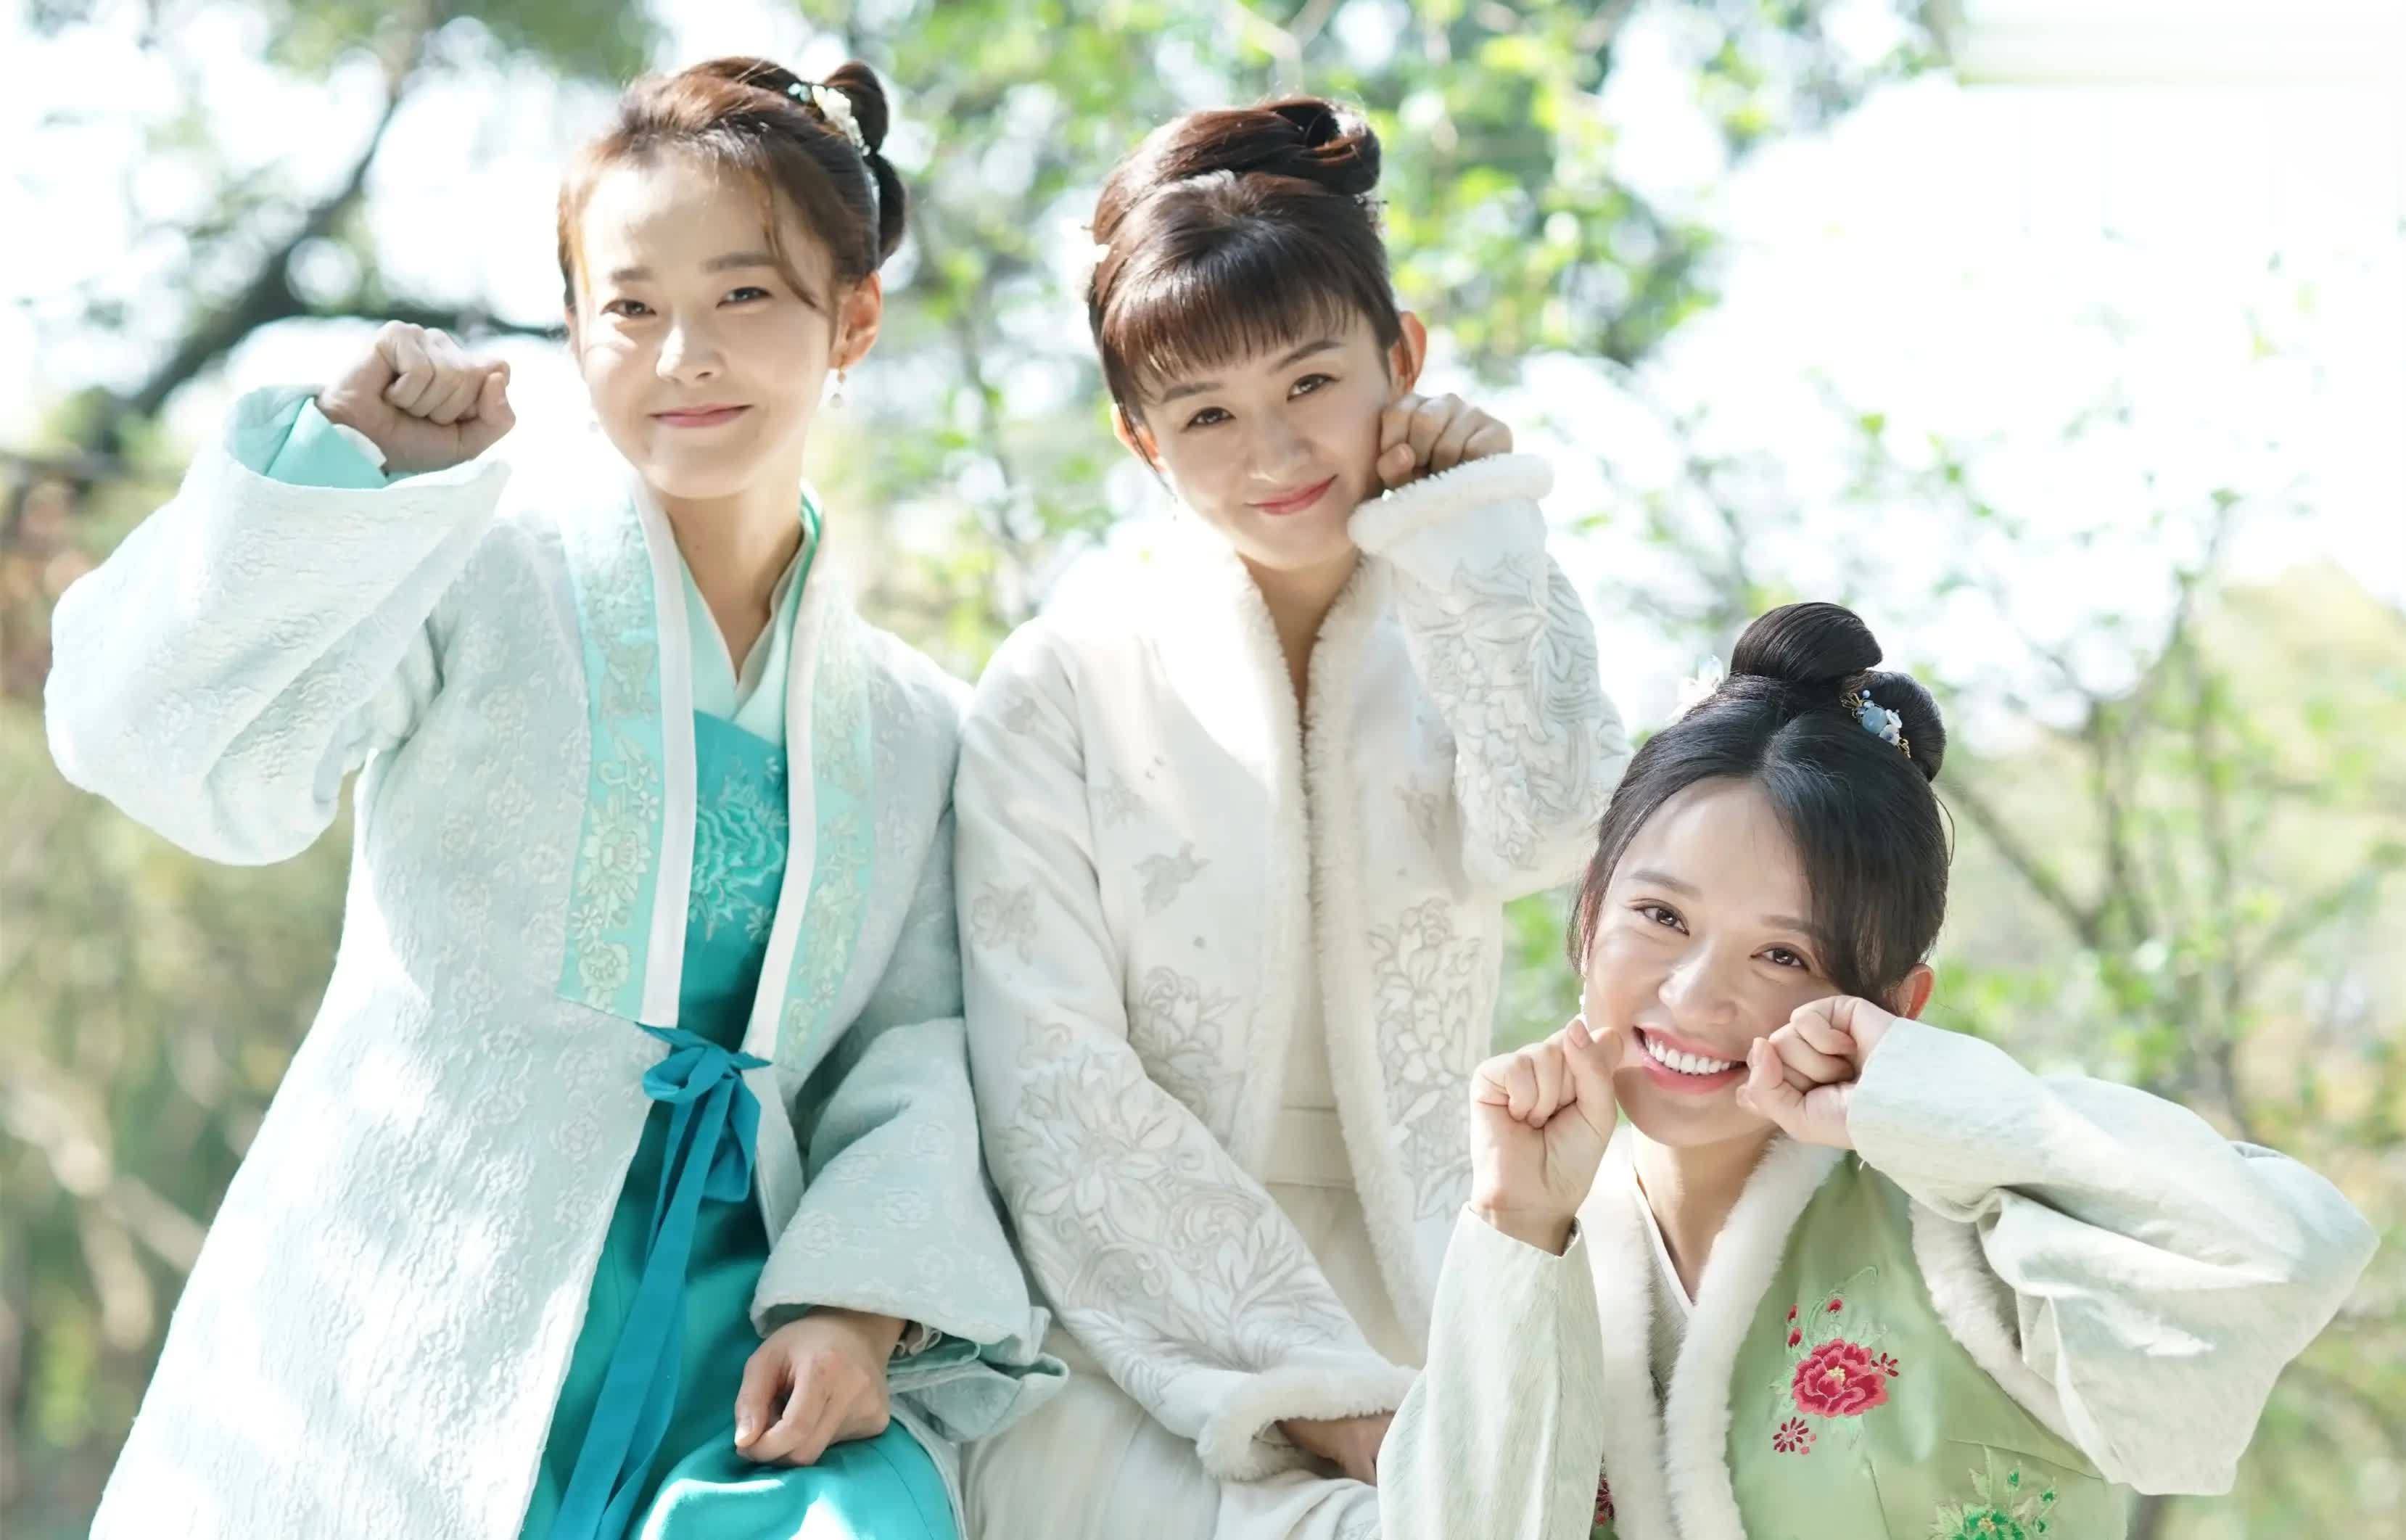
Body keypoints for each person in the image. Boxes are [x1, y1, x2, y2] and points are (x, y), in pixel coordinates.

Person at [46, 57, 1057, 1540]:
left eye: (745, 296)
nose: (683, 356)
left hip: (741, 1359)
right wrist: (344, 483)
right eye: (630, 306)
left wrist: (858, 1308)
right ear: (576, 329)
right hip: (414, 1306)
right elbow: (165, 747)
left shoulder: (919, 727)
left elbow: (918, 1050)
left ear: (853, 319)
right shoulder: (472, 576)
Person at [953, 97, 1627, 1540]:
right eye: (1204, 413)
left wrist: (1477, 535)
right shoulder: (1061, 683)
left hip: (1444, 1289)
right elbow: (1053, 1088)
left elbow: (1558, 835)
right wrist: (1332, 1407)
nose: (1271, 450)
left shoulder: (1464, 598)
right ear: (1140, 439)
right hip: (1135, 1347)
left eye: (1310, 381)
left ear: (1403, 358)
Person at [1377, 601, 2378, 1539]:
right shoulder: (1517, 1241)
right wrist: (1517, 1228)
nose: (1694, 996)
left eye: (1784, 955)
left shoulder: (1982, 1237)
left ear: (1895, 1006)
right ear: (1590, 912)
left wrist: (1917, 1098)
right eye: (1661, 916)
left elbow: (2278, 1257)